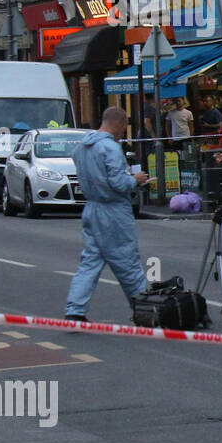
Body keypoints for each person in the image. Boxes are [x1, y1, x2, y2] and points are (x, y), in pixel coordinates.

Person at [64, 107, 151, 322]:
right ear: (120, 124)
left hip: (91, 207)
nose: (123, 134)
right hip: (113, 211)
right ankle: (144, 310)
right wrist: (135, 180)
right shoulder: (110, 148)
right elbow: (118, 183)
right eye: (124, 129)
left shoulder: (82, 147)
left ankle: (75, 309)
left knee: (90, 262)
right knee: (128, 263)